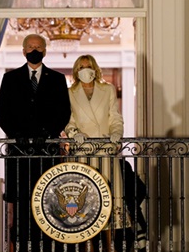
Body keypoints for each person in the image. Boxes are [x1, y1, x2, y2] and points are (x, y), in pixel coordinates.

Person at [0, 34, 72, 251]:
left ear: (45, 51)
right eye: (30, 46)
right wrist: (15, 134)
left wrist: (49, 133)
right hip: (19, 151)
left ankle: (46, 245)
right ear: (24, 51)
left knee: (47, 197)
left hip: (46, 150)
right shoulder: (10, 78)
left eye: (38, 47)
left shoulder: (57, 79)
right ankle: (21, 244)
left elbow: (64, 112)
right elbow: (1, 112)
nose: (34, 50)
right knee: (21, 200)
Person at [64, 55, 146, 252]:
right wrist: (74, 133)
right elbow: (68, 119)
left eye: (88, 66)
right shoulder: (69, 93)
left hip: (106, 151)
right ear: (76, 70)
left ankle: (111, 248)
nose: (85, 70)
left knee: (111, 204)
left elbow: (114, 117)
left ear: (95, 68)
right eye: (81, 67)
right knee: (86, 204)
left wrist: (116, 133)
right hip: (82, 153)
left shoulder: (107, 89)